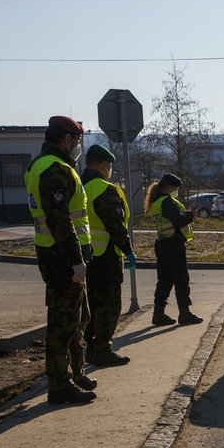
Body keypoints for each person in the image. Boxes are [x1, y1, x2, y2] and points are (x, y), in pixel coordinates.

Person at [24, 116, 97, 405]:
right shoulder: (53, 169)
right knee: (63, 324)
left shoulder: (43, 164)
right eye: (76, 141)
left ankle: (74, 374)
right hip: (61, 258)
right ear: (66, 139)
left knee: (78, 318)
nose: (77, 147)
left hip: (59, 255)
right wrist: (76, 261)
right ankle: (59, 385)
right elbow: (60, 221)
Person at [82, 144, 136, 366]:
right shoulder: (105, 189)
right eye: (110, 166)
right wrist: (128, 251)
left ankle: (92, 349)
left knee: (93, 303)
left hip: (87, 254)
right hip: (107, 255)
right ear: (104, 165)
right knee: (109, 305)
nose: (110, 170)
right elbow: (115, 226)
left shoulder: (80, 186)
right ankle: (103, 349)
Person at [144, 173, 203, 326]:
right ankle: (184, 313)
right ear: (170, 187)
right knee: (181, 279)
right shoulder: (168, 202)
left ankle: (158, 313)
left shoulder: (156, 202)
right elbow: (178, 221)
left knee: (164, 281)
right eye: (176, 188)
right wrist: (190, 216)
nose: (176, 191)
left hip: (162, 243)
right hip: (174, 244)